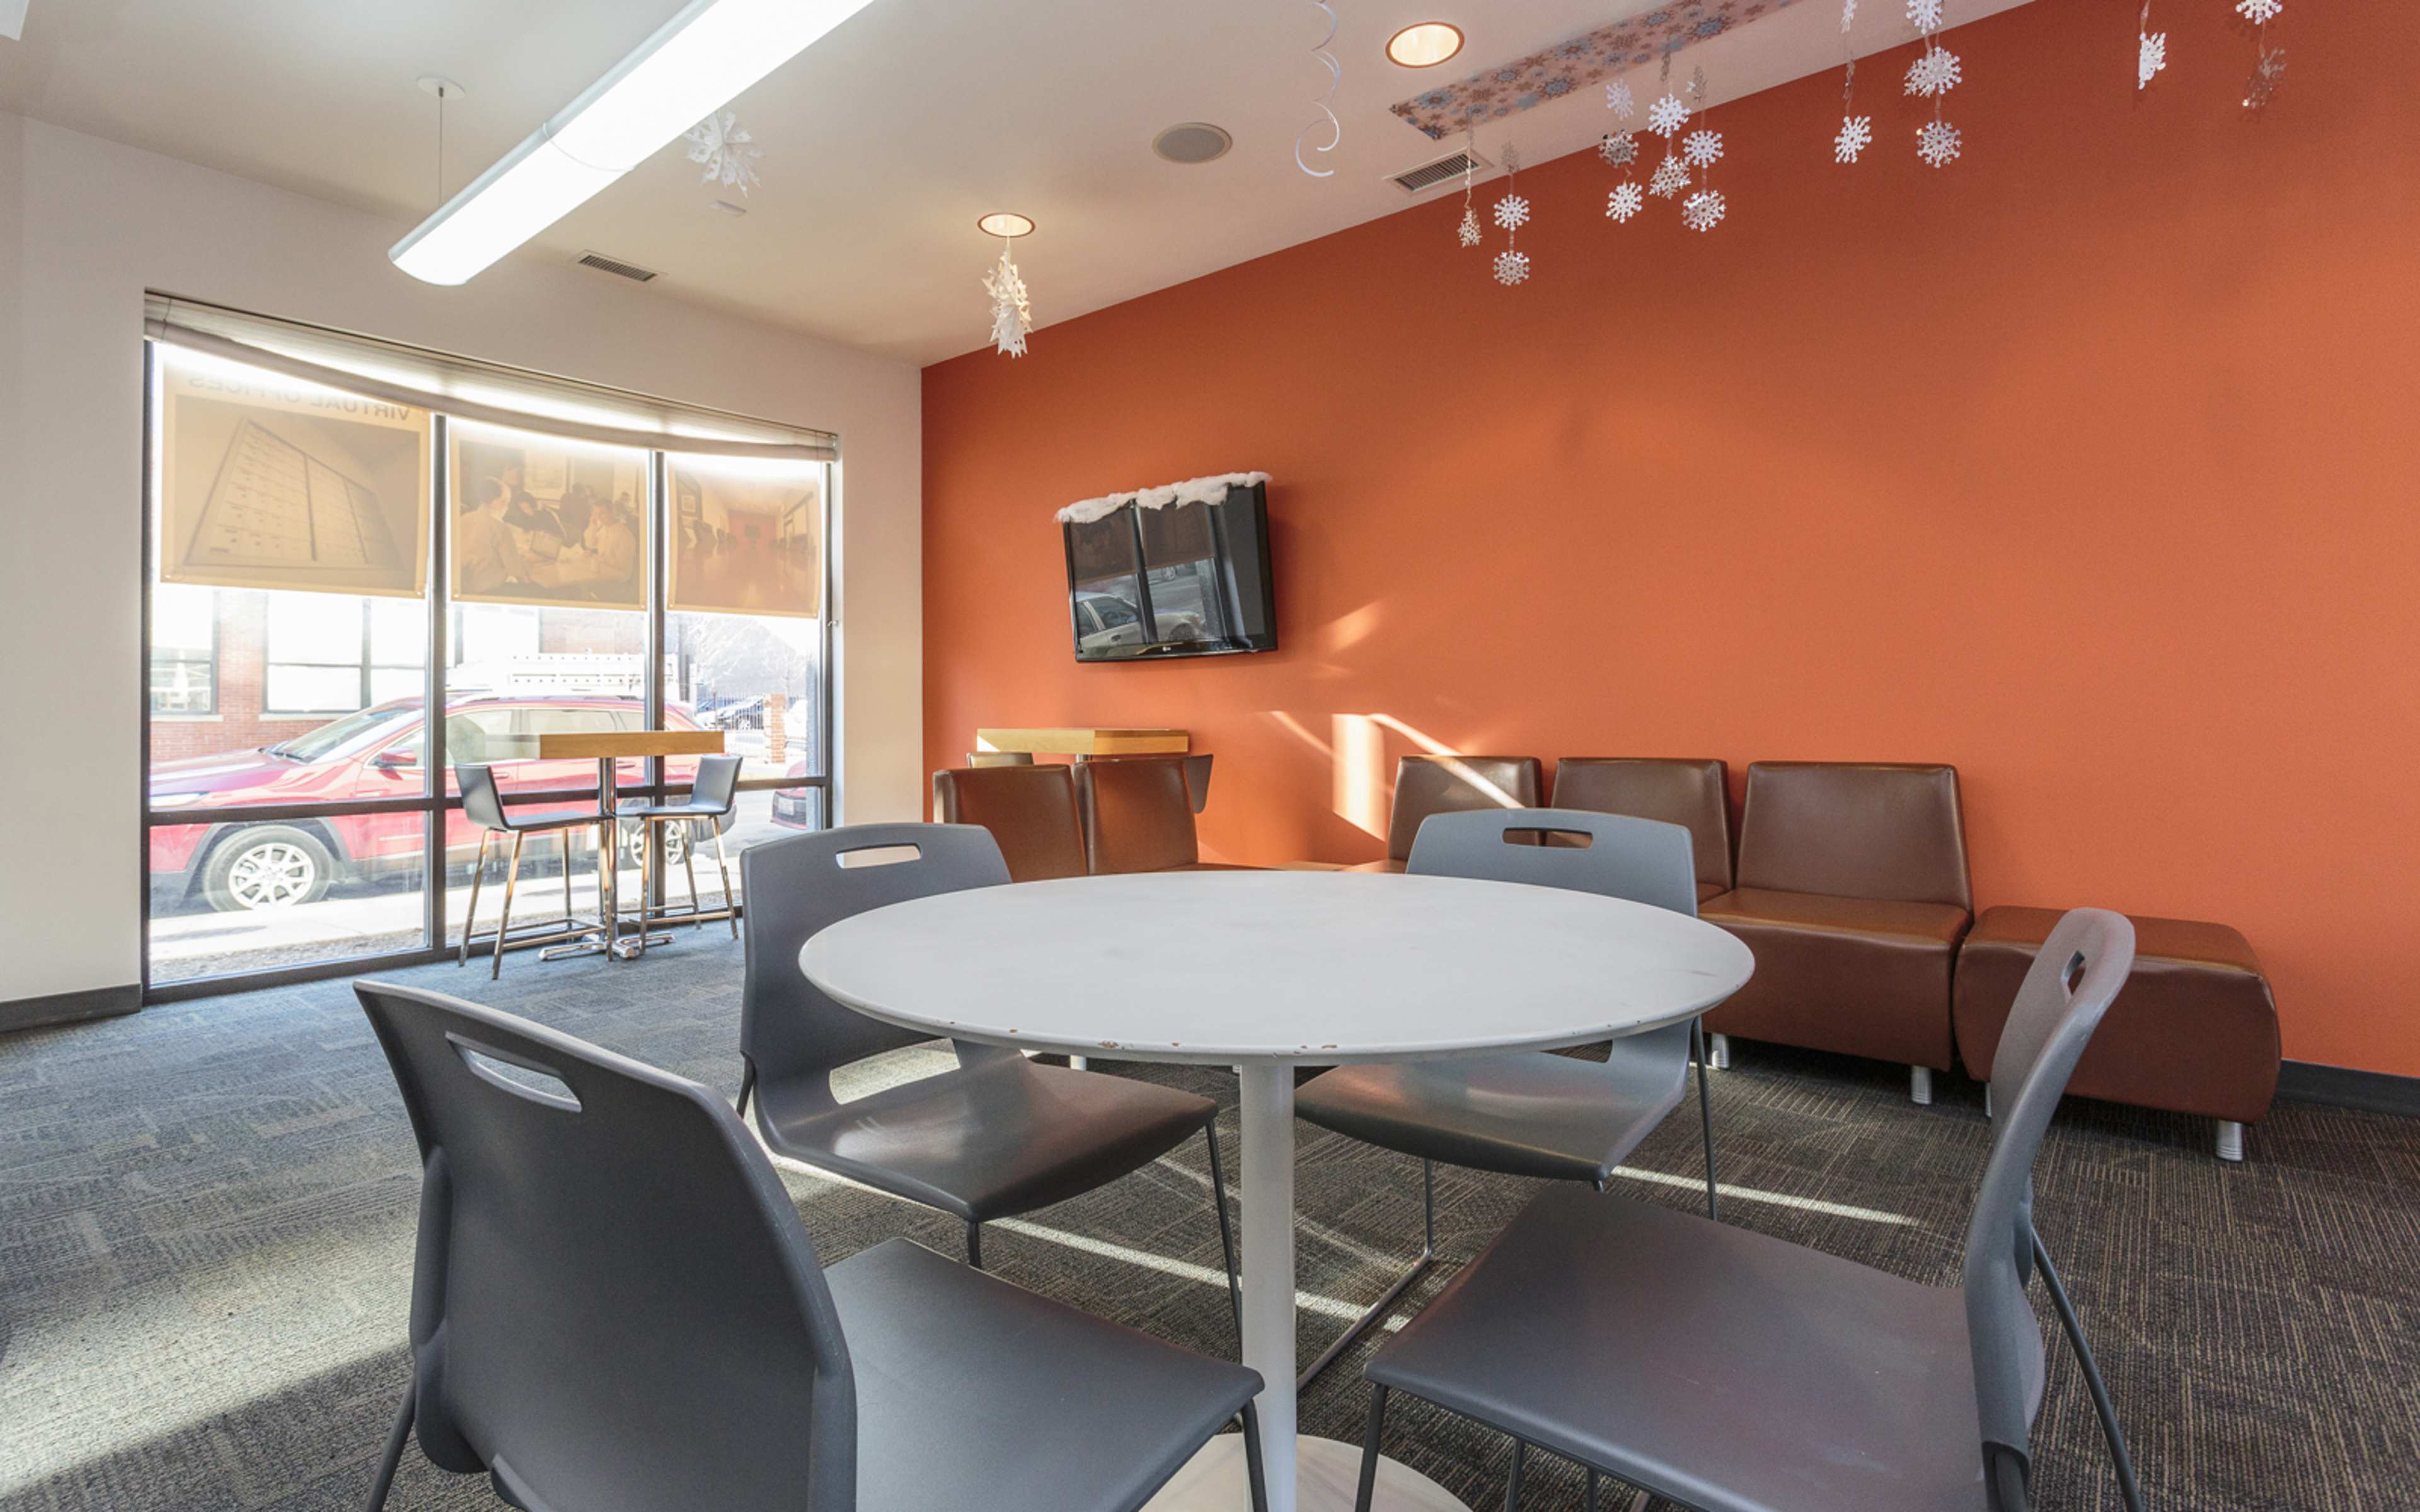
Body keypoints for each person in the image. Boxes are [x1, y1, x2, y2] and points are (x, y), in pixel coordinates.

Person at [456, 477, 530, 595]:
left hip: (462, 586)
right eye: (506, 502)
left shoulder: (463, 519)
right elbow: (517, 571)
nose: (507, 507)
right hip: (488, 590)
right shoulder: (500, 528)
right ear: (497, 503)